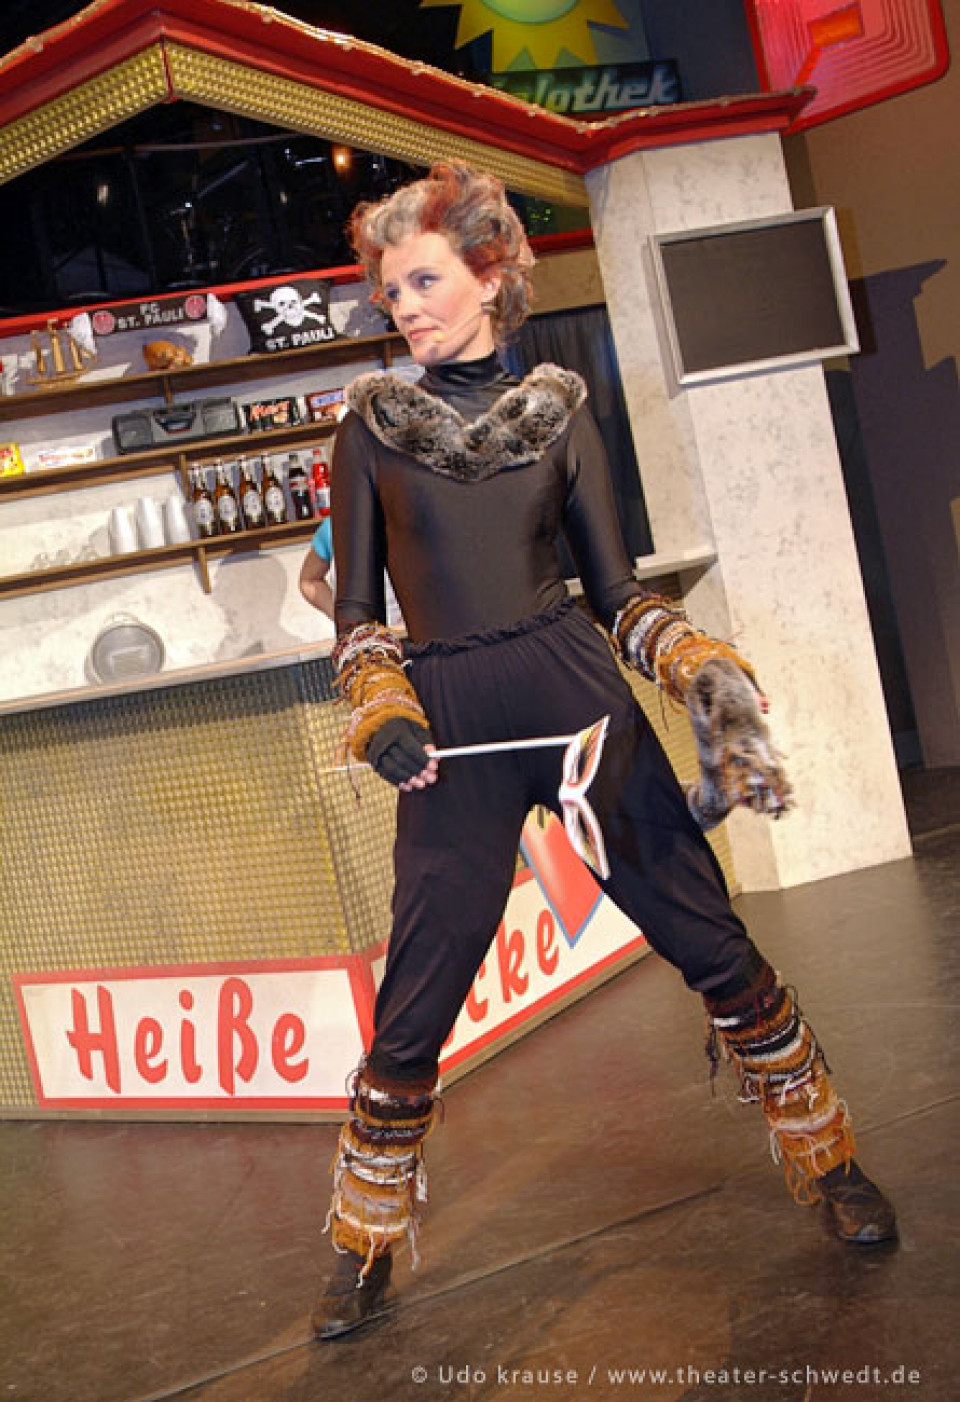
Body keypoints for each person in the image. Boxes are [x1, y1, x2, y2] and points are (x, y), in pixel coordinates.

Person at [313, 162, 896, 1340]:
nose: (403, 305)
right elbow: (358, 615)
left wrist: (700, 669)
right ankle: (363, 1241)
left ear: (490, 276)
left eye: (424, 280)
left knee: (708, 937)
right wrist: (383, 708)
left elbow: (618, 594)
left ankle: (829, 1159)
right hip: (450, 737)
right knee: (416, 1002)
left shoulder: (560, 415)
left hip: (579, 709)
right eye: (391, 289)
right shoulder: (367, 433)